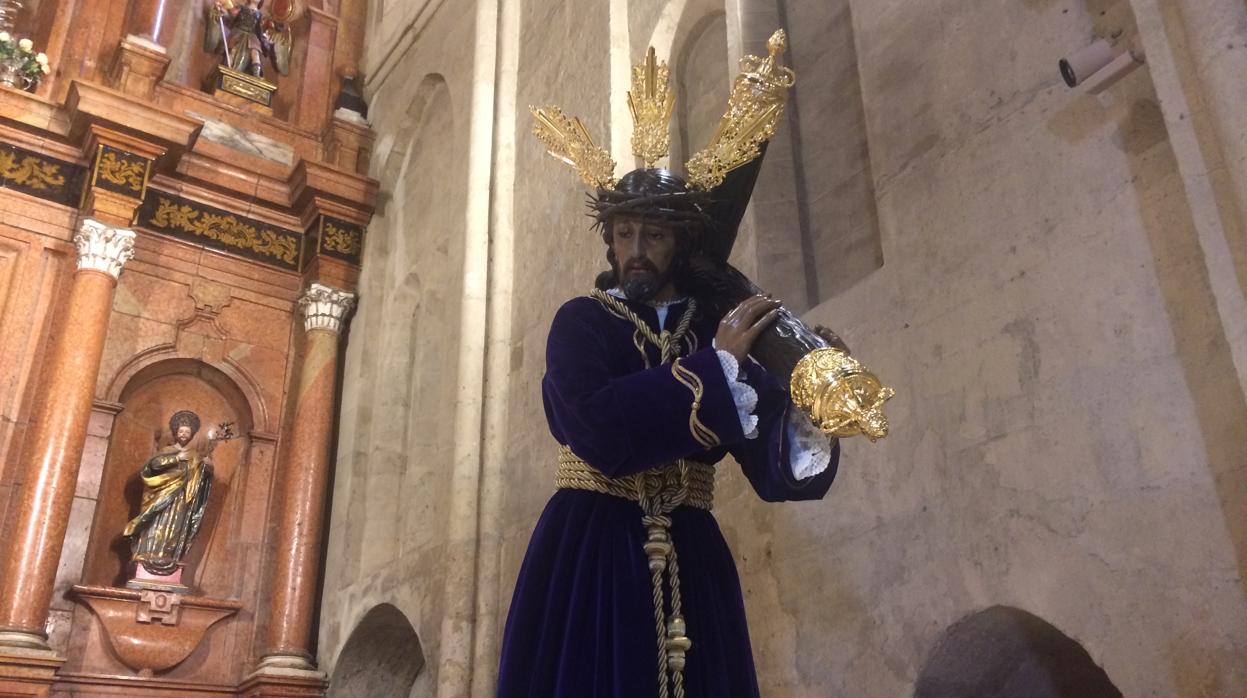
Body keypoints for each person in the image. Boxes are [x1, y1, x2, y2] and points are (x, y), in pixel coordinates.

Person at [495, 168, 842, 698]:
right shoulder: (581, 322)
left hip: (692, 546)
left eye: (653, 235)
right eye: (624, 233)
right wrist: (717, 368)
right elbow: (597, 428)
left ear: (679, 243)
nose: (636, 249)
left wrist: (813, 402)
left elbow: (774, 467)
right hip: (594, 542)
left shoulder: (714, 329)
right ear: (609, 241)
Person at [124, 410, 234, 578]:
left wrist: (206, 465)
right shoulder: (167, 450)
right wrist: (177, 458)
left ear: (191, 435)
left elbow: (203, 475)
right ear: (176, 433)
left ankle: (169, 557)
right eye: (181, 431)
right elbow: (153, 466)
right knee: (155, 526)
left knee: (175, 529)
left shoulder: (194, 455)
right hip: (161, 496)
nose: (183, 435)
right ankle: (148, 555)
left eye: (187, 432)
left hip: (182, 499)